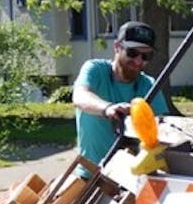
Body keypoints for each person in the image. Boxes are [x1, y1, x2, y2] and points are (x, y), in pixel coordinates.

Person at [72, 21, 171, 170]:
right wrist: (108, 108)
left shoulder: (149, 85)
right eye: (132, 53)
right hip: (91, 175)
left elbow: (162, 132)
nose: (138, 61)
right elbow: (80, 96)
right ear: (117, 47)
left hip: (131, 179)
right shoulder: (95, 69)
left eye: (146, 56)